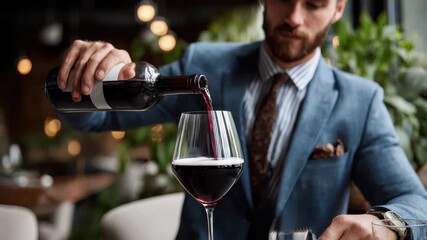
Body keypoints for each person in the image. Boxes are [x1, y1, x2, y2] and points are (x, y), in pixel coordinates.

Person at [55, 0, 427, 239]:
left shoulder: (361, 101)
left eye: (313, 4)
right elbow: (97, 121)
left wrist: (386, 225)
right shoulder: (204, 66)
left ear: (338, 9)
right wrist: (89, 78)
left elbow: (415, 201)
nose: (294, 18)